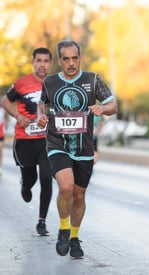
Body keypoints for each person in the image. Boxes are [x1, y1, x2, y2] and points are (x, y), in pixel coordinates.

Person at [37, 40, 117, 258]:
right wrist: (41, 117)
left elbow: (113, 105)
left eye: (75, 58)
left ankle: (74, 237)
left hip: (84, 147)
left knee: (79, 196)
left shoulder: (92, 79)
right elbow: (42, 104)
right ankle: (63, 229)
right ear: (60, 60)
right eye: (66, 59)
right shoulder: (51, 82)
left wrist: (102, 108)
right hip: (57, 143)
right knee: (66, 187)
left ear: (79, 58)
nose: (71, 63)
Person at [1, 47, 54, 235]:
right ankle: (25, 184)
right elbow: (5, 101)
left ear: (50, 64)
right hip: (25, 140)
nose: (42, 64)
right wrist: (17, 115)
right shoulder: (22, 83)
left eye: (46, 61)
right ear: (33, 62)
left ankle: (42, 221)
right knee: (30, 178)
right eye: (39, 60)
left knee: (47, 178)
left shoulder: (54, 84)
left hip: (47, 141)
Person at [0, 106, 8, 176]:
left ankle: (0, 167)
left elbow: (5, 120)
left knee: (0, 150)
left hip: (0, 133)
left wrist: (5, 126)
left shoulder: (2, 110)